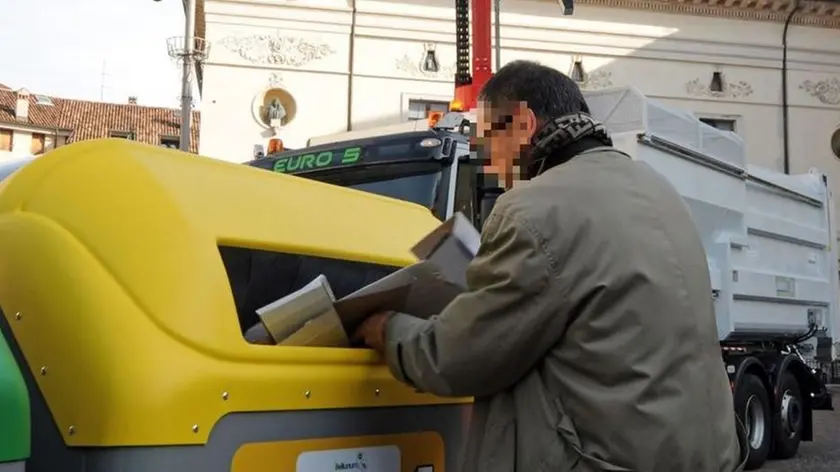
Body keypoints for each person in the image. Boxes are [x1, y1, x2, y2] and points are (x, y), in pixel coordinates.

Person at [354, 60, 745, 472]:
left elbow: (458, 357)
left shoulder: (532, 209)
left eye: (488, 143)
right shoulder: (658, 188)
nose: (489, 166)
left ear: (522, 123)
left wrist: (386, 328)